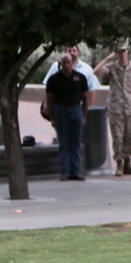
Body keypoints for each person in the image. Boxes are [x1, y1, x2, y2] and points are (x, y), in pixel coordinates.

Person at [94, 44, 131, 176]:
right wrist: (108, 58)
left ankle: (127, 163)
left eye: (124, 51)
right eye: (119, 52)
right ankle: (119, 164)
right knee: (117, 136)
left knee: (130, 136)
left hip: (130, 107)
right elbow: (96, 71)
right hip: (116, 108)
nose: (122, 54)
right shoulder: (111, 67)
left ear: (128, 52)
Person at [43, 53, 88, 181]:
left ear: (72, 63)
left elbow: (85, 99)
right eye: (64, 62)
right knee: (63, 142)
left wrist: (84, 115)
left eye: (69, 62)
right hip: (61, 110)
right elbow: (49, 100)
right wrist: (52, 117)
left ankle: (76, 171)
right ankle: (65, 171)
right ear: (60, 64)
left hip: (76, 109)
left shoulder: (80, 78)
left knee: (75, 142)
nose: (66, 65)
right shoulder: (54, 79)